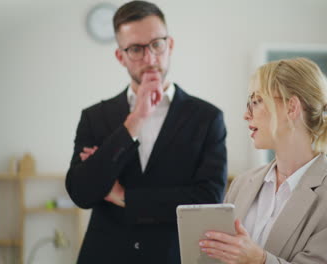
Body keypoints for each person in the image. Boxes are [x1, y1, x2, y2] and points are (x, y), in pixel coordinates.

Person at [65, 1, 227, 263]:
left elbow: (207, 200)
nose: (150, 58)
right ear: (121, 56)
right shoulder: (95, 117)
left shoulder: (207, 118)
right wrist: (135, 121)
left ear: (170, 44)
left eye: (157, 44)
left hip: (172, 256)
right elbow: (82, 192)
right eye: (136, 49)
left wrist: (124, 196)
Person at [199, 57, 327, 264]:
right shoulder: (241, 184)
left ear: (291, 107)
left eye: (256, 101)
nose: (246, 115)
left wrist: (260, 260)